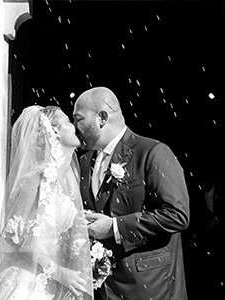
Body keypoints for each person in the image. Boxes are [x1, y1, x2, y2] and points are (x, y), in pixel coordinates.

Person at [73, 87, 190, 300]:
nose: (74, 127)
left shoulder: (152, 152)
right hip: (100, 290)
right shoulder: (82, 163)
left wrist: (114, 227)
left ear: (102, 117)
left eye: (78, 119)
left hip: (149, 288)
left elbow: (177, 215)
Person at [0, 105, 93, 300]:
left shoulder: (64, 179)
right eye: (68, 121)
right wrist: (58, 272)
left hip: (50, 282)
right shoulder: (36, 178)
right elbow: (13, 239)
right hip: (26, 284)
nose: (74, 125)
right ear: (54, 132)